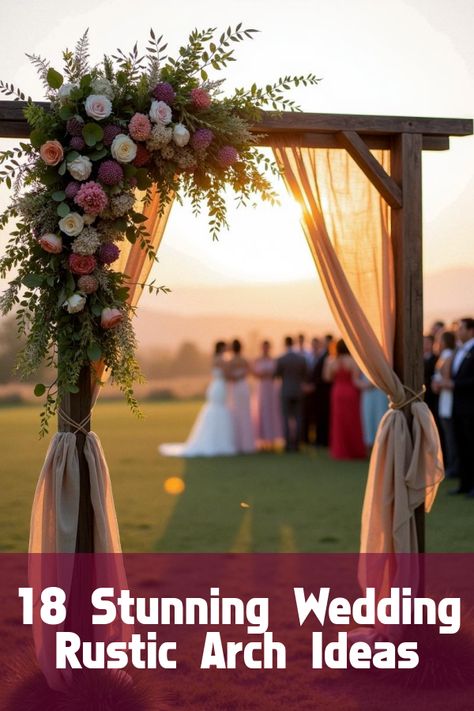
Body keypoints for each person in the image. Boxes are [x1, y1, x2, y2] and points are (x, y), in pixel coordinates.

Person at [159, 341, 237, 457]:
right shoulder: (221, 360)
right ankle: (216, 442)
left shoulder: (216, 359)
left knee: (216, 409)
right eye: (225, 347)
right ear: (221, 348)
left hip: (216, 386)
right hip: (219, 386)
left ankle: (216, 441)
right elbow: (227, 373)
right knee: (218, 409)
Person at [440, 318, 474, 496]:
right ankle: (464, 483)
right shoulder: (459, 350)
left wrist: (455, 385)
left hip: (470, 408)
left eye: (461, 328)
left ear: (471, 330)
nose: (458, 331)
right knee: (462, 447)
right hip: (458, 407)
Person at [323, 339, 366, 460]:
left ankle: (339, 451)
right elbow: (356, 381)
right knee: (352, 420)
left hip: (337, 392)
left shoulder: (332, 361)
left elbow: (327, 377)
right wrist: (369, 386)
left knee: (338, 421)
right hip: (351, 392)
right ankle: (354, 451)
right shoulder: (353, 361)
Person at [432, 330, 458, 479]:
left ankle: (453, 466)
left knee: (450, 436)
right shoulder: (445, 355)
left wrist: (438, 383)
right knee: (447, 435)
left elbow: (446, 377)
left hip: (448, 399)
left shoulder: (447, 355)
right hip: (444, 399)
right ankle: (450, 465)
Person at [275, 336, 308, 452]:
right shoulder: (301, 359)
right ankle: (297, 444)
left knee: (286, 418)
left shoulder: (281, 359)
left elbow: (276, 374)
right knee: (298, 418)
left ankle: (288, 444)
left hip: (286, 391)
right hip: (298, 391)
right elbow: (305, 374)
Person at [226, 339, 256, 454]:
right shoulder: (245, 360)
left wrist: (236, 376)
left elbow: (228, 376)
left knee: (236, 414)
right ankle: (248, 445)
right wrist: (241, 374)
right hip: (244, 386)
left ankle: (237, 444)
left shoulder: (231, 361)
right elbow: (251, 371)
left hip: (236, 387)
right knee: (245, 415)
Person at [252, 340, 282, 449]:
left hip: (271, 388)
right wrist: (262, 374)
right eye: (264, 347)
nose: (265, 349)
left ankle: (272, 439)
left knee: (272, 411)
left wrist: (269, 374)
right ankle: (263, 440)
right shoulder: (257, 360)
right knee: (261, 411)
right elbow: (254, 373)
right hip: (261, 388)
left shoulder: (273, 360)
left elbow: (276, 373)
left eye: (267, 347)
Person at [357, 373, 388, 454]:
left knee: (380, 419)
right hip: (367, 393)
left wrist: (374, 383)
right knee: (368, 421)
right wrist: (363, 385)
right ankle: (370, 450)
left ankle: (382, 450)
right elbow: (356, 378)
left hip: (380, 393)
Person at [312, 335, 333, 447]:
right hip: (321, 391)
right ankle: (321, 439)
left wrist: (313, 385)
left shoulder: (329, 356)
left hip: (324, 391)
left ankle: (323, 440)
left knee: (324, 415)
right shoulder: (323, 355)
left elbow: (324, 376)